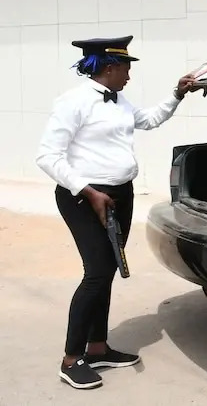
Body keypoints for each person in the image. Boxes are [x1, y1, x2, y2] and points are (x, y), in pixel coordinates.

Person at [36, 36, 197, 389]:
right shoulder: (73, 102)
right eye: (126, 68)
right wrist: (89, 191)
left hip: (119, 195)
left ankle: (98, 347)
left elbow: (149, 120)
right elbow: (47, 156)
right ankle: (71, 359)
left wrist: (177, 94)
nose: (129, 75)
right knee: (96, 273)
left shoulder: (120, 101)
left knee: (107, 270)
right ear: (109, 68)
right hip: (84, 197)